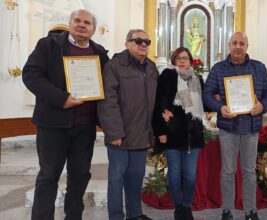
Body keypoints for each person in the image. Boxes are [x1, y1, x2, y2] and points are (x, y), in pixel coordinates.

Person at [22, 9, 109, 220]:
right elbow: (31, 75)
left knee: (79, 177)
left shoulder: (100, 53)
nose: (82, 25)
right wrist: (62, 99)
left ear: (93, 29)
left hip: (85, 128)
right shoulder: (48, 45)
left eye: (87, 22)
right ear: (70, 24)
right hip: (53, 125)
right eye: (77, 20)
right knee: (48, 177)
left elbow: (108, 87)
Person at [203, 32, 267, 220]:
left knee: (249, 171)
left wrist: (262, 106)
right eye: (234, 43)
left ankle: (251, 211)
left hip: (251, 127)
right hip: (228, 127)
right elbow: (207, 94)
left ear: (247, 46)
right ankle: (227, 210)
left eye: (241, 43)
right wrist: (220, 107)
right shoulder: (218, 69)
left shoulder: (259, 68)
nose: (238, 46)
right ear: (229, 45)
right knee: (228, 170)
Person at [97, 29, 158, 220]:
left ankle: (135, 214)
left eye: (146, 42)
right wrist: (114, 132)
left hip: (141, 133)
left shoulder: (151, 67)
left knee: (136, 177)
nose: (143, 45)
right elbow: (108, 101)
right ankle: (116, 216)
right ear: (127, 43)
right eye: (138, 41)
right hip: (120, 135)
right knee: (116, 179)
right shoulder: (114, 66)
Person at [152, 47, 205, 220]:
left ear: (191, 61)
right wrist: (160, 130)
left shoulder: (197, 79)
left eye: (186, 58)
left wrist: (219, 99)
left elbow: (206, 104)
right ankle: (178, 207)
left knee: (190, 174)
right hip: (172, 132)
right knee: (174, 172)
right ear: (174, 60)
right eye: (179, 58)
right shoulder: (168, 75)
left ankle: (187, 205)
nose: (182, 61)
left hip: (193, 134)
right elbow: (159, 103)